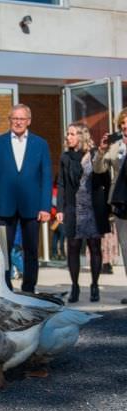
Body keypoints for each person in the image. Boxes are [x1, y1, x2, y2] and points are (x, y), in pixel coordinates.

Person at [0, 104, 52, 293]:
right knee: (2, 251)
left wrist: (45, 207)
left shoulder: (40, 144)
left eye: (22, 119)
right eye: (15, 118)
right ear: (10, 120)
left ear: (29, 121)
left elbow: (46, 177)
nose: (18, 122)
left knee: (31, 250)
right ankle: (5, 288)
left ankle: (29, 288)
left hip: (32, 206)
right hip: (3, 206)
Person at [56, 123, 110, 303]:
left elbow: (104, 178)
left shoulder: (95, 154)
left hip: (93, 208)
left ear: (81, 136)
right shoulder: (65, 157)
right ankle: (75, 286)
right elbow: (62, 184)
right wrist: (60, 209)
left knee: (94, 246)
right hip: (73, 207)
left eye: (72, 134)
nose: (68, 137)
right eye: (67, 134)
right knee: (72, 247)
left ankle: (94, 285)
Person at [94, 108, 127, 304]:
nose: (125, 126)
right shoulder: (115, 147)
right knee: (126, 247)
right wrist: (101, 151)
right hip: (122, 202)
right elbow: (99, 169)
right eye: (123, 123)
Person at [50, 177, 65, 260]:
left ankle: (55, 253)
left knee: (56, 236)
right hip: (57, 216)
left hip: (54, 215)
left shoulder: (54, 188)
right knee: (61, 235)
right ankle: (60, 253)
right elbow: (55, 202)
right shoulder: (55, 189)